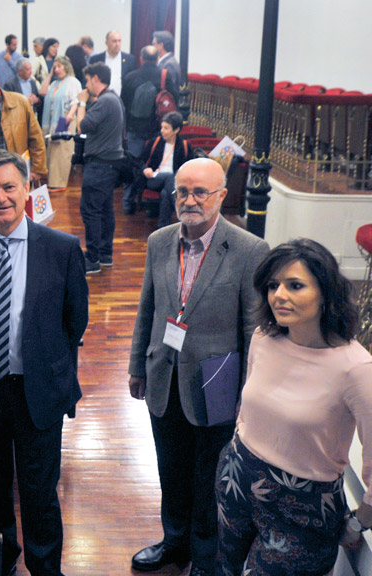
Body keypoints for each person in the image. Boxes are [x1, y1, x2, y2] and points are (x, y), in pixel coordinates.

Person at [0, 149, 89, 576]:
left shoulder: (61, 248)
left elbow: (74, 320)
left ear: (27, 189)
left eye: (9, 187)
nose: (0, 197)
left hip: (37, 388)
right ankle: (1, 560)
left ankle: (45, 567)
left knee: (40, 490)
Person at [128, 157, 269, 575]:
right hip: (163, 376)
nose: (190, 200)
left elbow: (252, 329)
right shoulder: (159, 241)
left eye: (200, 192)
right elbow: (148, 308)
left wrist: (249, 393)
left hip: (217, 384)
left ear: (222, 196)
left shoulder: (249, 250)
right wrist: (138, 364)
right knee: (170, 468)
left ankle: (205, 557)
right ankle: (175, 543)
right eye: (183, 192)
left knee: (210, 478)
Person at [217, 238, 372, 576]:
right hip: (236, 480)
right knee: (226, 569)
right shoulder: (264, 337)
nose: (278, 295)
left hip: (303, 508)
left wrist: (361, 521)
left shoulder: (356, 368)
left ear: (326, 293)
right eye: (273, 285)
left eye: (295, 285)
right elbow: (248, 405)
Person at [68, 62, 124, 274]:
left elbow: (83, 125)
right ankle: (104, 254)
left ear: (96, 79)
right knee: (105, 209)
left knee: (90, 210)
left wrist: (81, 103)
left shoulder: (104, 101)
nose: (86, 85)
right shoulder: (113, 98)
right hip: (109, 162)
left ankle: (92, 259)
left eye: (88, 80)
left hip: (100, 163)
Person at [122, 46, 164, 214]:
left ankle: (128, 201)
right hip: (158, 129)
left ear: (141, 58)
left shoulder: (131, 77)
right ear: (158, 59)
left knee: (133, 162)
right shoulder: (164, 77)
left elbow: (123, 104)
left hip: (134, 128)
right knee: (155, 163)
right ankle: (152, 203)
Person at [144, 112, 195, 227]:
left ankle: (163, 227)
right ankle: (180, 209)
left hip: (173, 183)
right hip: (154, 178)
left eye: (166, 128)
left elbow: (190, 167)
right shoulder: (156, 142)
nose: (162, 131)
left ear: (176, 130)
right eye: (162, 127)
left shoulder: (185, 146)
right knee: (169, 177)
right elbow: (140, 161)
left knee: (165, 194)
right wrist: (146, 169)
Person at [40, 56, 81, 191]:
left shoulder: (72, 82)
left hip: (65, 118)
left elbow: (75, 101)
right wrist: (50, 74)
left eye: (59, 66)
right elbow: (42, 92)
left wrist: (69, 116)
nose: (57, 69)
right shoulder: (54, 84)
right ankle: (51, 180)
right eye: (55, 67)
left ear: (66, 66)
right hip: (52, 120)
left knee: (61, 151)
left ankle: (59, 183)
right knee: (52, 151)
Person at [87, 30, 135, 97]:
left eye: (119, 41)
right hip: (102, 99)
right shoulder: (96, 59)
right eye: (114, 41)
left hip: (123, 99)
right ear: (107, 43)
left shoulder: (129, 59)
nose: (117, 44)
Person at [153, 30, 188, 119]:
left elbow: (169, 91)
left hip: (167, 110)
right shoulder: (167, 61)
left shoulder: (169, 64)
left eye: (154, 44)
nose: (153, 47)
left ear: (160, 46)